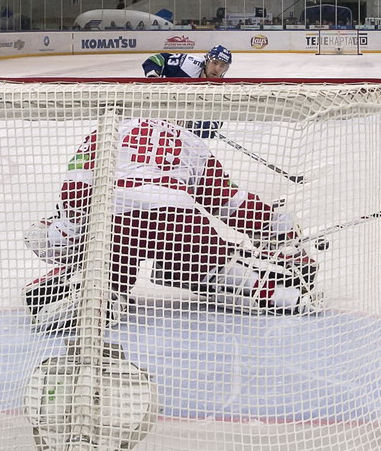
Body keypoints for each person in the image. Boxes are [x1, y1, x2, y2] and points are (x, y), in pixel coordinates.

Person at [22, 118, 316, 332]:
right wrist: (274, 225)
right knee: (209, 267)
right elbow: (228, 201)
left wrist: (69, 234)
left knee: (47, 238)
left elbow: (76, 187)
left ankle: (97, 290)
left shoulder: (107, 127)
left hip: (116, 220)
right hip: (179, 218)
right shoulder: (191, 140)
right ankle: (282, 291)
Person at [142, 45, 232, 80]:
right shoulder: (186, 63)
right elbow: (155, 59)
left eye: (222, 66)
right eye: (214, 63)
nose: (217, 69)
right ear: (207, 62)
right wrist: (153, 76)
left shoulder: (222, 89)